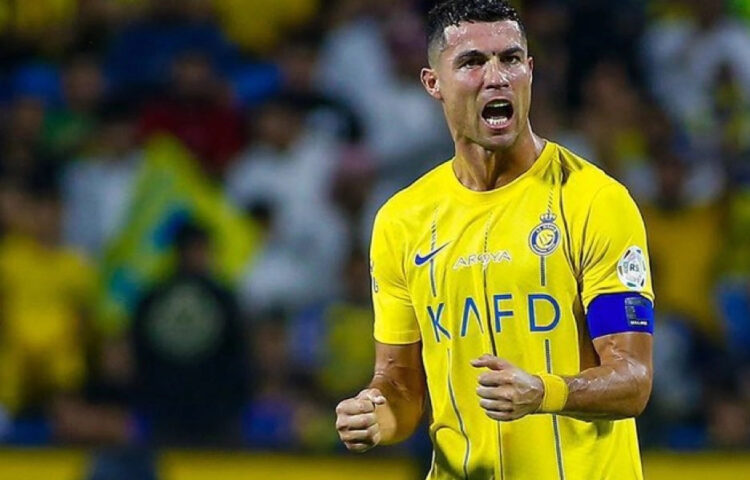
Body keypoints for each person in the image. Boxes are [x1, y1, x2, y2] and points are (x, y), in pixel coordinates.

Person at [334, 1, 655, 479]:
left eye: (510, 59)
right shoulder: (402, 221)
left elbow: (633, 379)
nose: (497, 77)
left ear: (531, 70)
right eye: (472, 62)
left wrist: (544, 392)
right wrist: (374, 417)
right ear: (433, 83)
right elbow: (400, 388)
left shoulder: (595, 201)